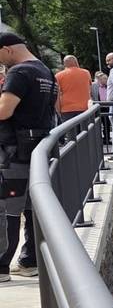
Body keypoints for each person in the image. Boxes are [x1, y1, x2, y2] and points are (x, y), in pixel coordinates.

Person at [0, 32, 57, 281]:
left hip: (13, 152)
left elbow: (4, 111)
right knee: (31, 207)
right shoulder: (45, 71)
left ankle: (1, 266)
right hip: (37, 149)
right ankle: (29, 260)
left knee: (7, 209)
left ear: (7, 49)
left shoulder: (19, 72)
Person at [55, 55, 92, 123]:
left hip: (67, 110)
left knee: (70, 129)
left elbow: (57, 95)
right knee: (85, 129)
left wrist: (58, 110)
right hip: (84, 108)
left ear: (64, 64)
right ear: (76, 62)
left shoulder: (58, 76)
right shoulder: (86, 73)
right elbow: (90, 89)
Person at [91, 71, 111, 145]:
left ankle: (107, 139)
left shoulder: (109, 86)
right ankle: (98, 140)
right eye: (104, 79)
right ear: (99, 79)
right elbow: (91, 95)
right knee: (97, 124)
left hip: (107, 106)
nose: (106, 80)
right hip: (97, 107)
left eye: (106, 78)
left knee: (107, 124)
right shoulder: (93, 86)